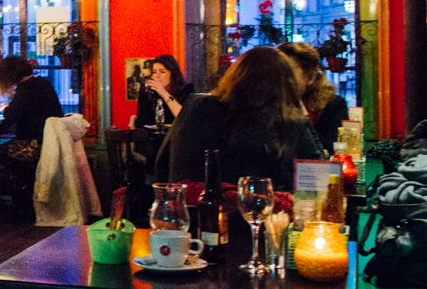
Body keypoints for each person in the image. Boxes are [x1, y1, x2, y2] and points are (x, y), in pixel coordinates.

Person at [156, 46, 324, 191]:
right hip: (262, 213)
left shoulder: (197, 105)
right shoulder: (287, 121)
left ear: (235, 75)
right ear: (286, 84)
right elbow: (318, 182)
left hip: (193, 209)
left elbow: (162, 164)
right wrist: (301, 110)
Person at [278, 41, 349, 149]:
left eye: (288, 73)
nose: (280, 79)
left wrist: (303, 117)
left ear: (310, 77)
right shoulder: (268, 105)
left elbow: (333, 149)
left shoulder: (334, 106)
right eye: (277, 73)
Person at [0, 55, 63, 162]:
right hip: (51, 142)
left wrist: (5, 109)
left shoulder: (26, 88)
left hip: (34, 145)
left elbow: (12, 115)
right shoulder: (43, 83)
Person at [135, 54, 192, 127]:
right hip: (151, 133)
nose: (157, 76)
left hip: (177, 132)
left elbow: (184, 118)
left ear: (173, 74)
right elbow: (142, 122)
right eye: (154, 72)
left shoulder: (186, 89)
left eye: (162, 72)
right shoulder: (147, 91)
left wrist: (164, 93)